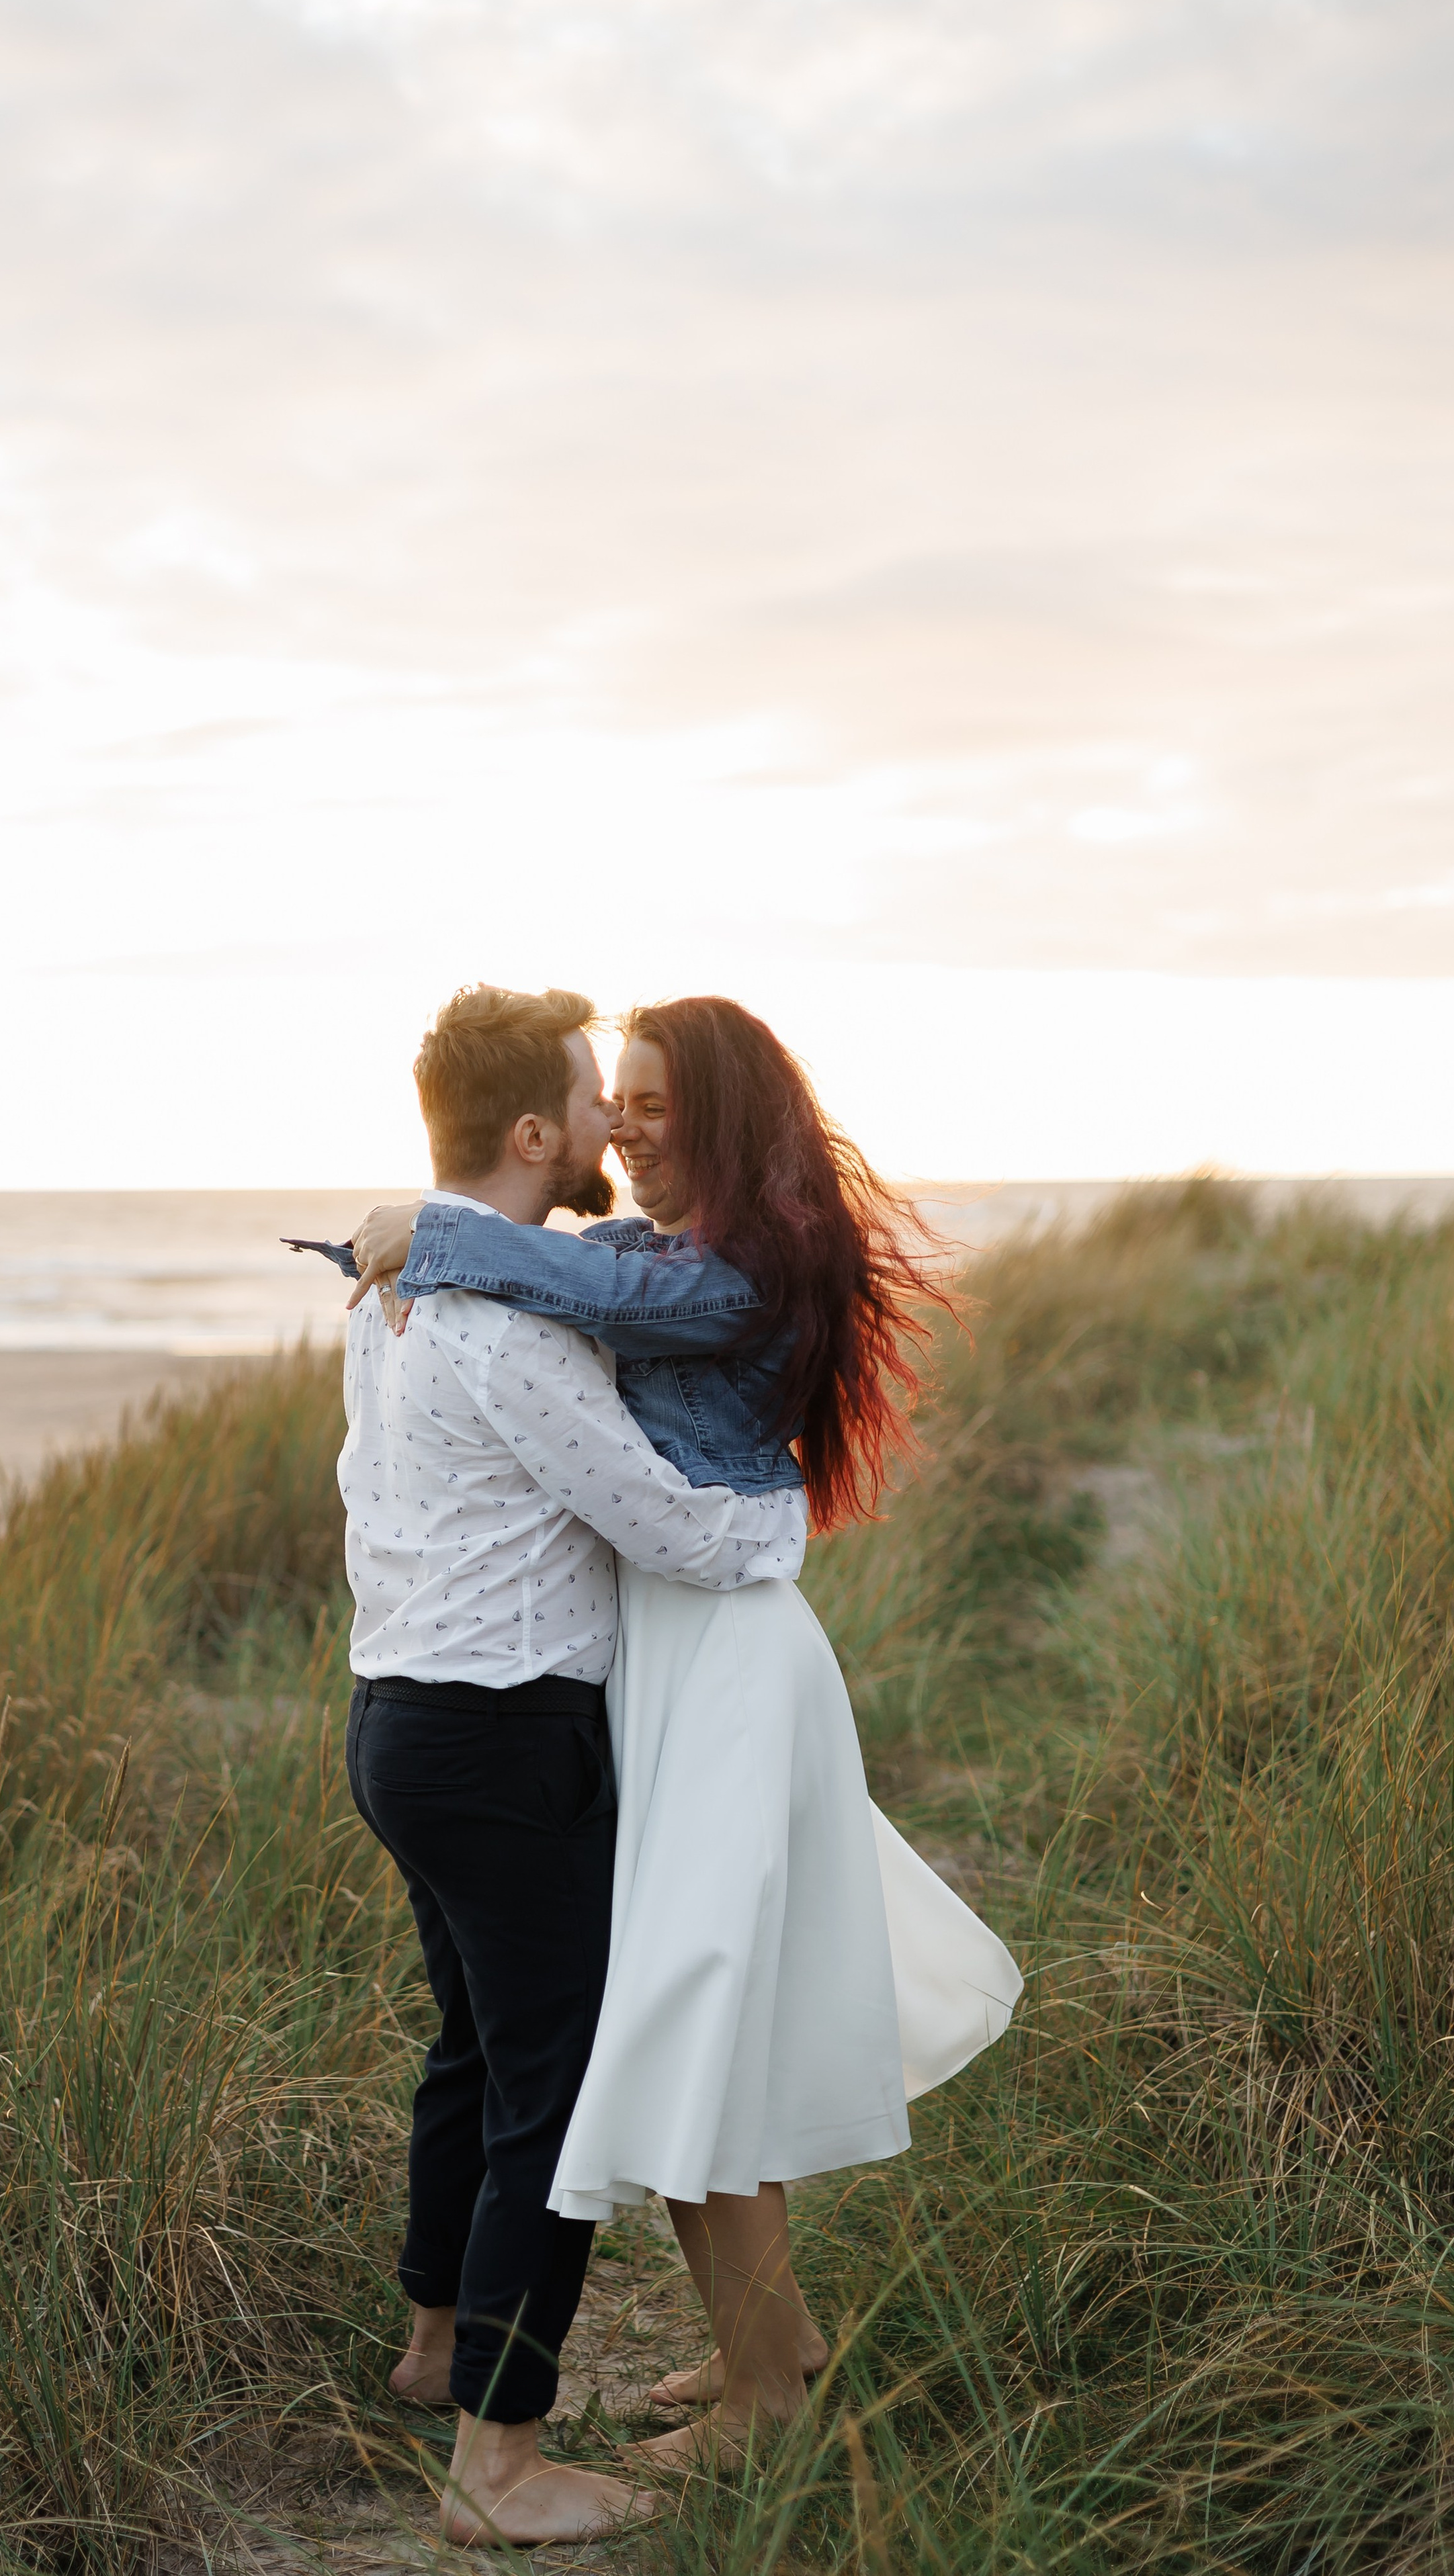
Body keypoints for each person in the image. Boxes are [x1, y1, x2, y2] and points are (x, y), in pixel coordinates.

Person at [348, 995, 1022, 2467]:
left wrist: (431, 1234)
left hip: (716, 1647)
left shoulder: (739, 1269)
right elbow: (562, 1281)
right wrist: (431, 1240)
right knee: (682, 2012)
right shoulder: (631, 1257)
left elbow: (592, 1318)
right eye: (615, 1098)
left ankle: (761, 2400)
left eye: (651, 1102)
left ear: (715, 1114)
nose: (627, 1126)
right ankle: (762, 2356)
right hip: (656, 1654)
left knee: (693, 2015)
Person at [309, 985, 809, 2543]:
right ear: (534, 1135)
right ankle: (500, 2462)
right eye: (596, 1101)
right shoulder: (515, 1328)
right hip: (501, 1738)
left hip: (394, 1721)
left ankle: (435, 2342)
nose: (612, 1125)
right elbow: (659, 1523)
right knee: (556, 2085)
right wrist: (782, 1525)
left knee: (470, 2047)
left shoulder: (388, 1299)